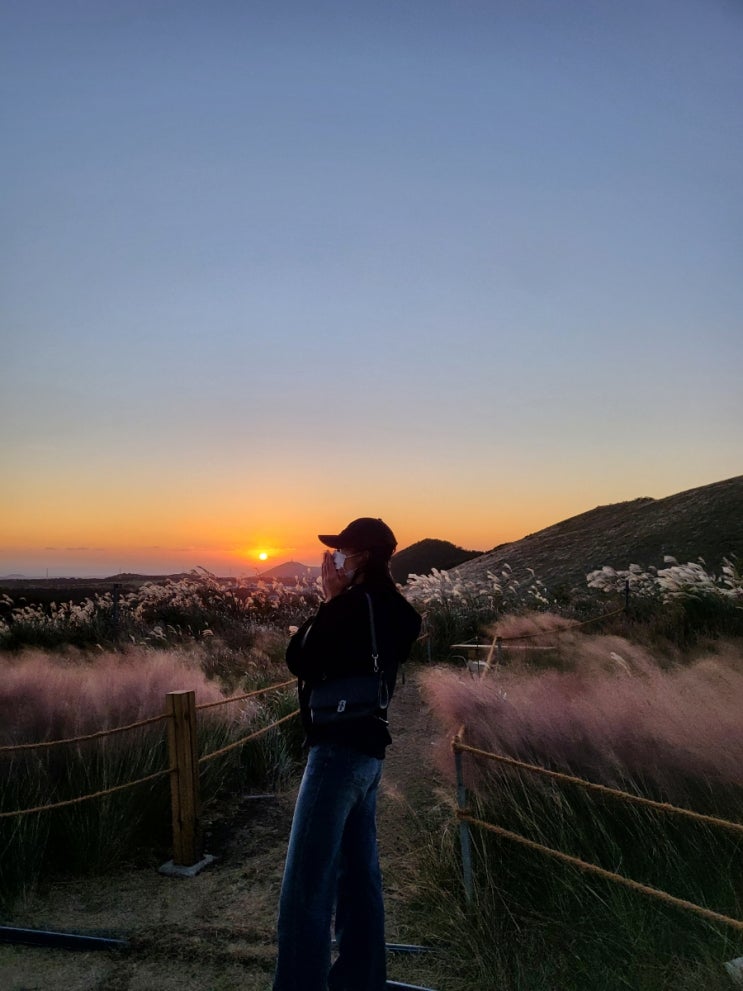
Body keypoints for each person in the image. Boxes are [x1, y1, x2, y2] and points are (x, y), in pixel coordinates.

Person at [272, 517, 422, 991]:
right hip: (369, 753)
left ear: (363, 557)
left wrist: (330, 600)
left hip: (335, 754)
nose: (333, 560)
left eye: (342, 552)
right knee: (359, 878)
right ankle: (361, 980)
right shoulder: (398, 609)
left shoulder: (351, 606)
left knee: (306, 884)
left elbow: (299, 658)